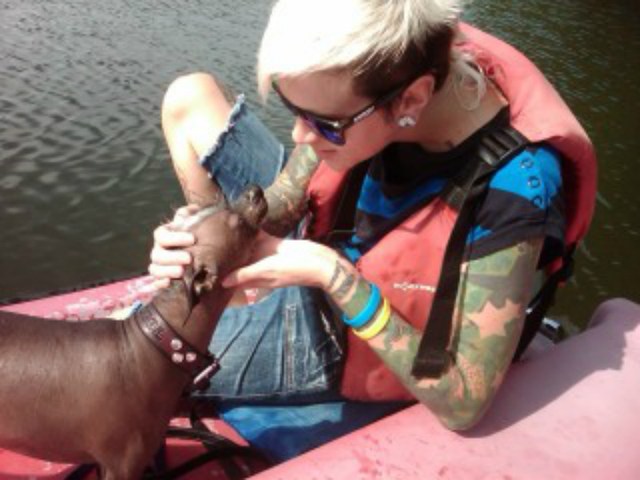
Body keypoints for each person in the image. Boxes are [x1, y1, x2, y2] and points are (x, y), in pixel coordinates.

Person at [148, 0, 596, 463]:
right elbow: (288, 197)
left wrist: (330, 274)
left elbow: (465, 401)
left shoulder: (515, 191)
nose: (300, 136)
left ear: (410, 100)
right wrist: (209, 239)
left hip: (355, 328)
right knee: (190, 97)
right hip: (334, 240)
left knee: (145, 358)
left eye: (324, 123)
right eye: (291, 107)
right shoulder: (391, 66)